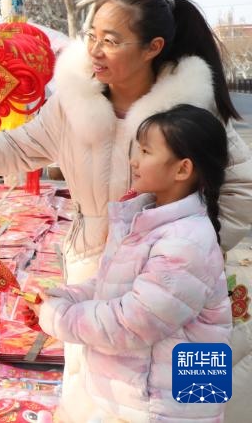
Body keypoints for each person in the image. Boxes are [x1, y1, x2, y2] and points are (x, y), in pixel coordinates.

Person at [0, 0, 252, 421]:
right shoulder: (71, 104)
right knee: (99, 389)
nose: (95, 50)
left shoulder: (188, 110)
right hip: (94, 264)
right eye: (92, 36)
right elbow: (14, 149)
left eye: (111, 41)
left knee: (192, 398)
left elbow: (243, 189)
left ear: (153, 48)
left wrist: (189, 249)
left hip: (178, 277)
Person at [34, 104, 231, 422]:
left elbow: (133, 323)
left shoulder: (184, 243)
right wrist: (65, 297)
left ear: (182, 170)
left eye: (146, 152)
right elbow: (113, 284)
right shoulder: (148, 219)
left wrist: (59, 317)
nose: (134, 161)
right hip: (148, 396)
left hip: (166, 407)